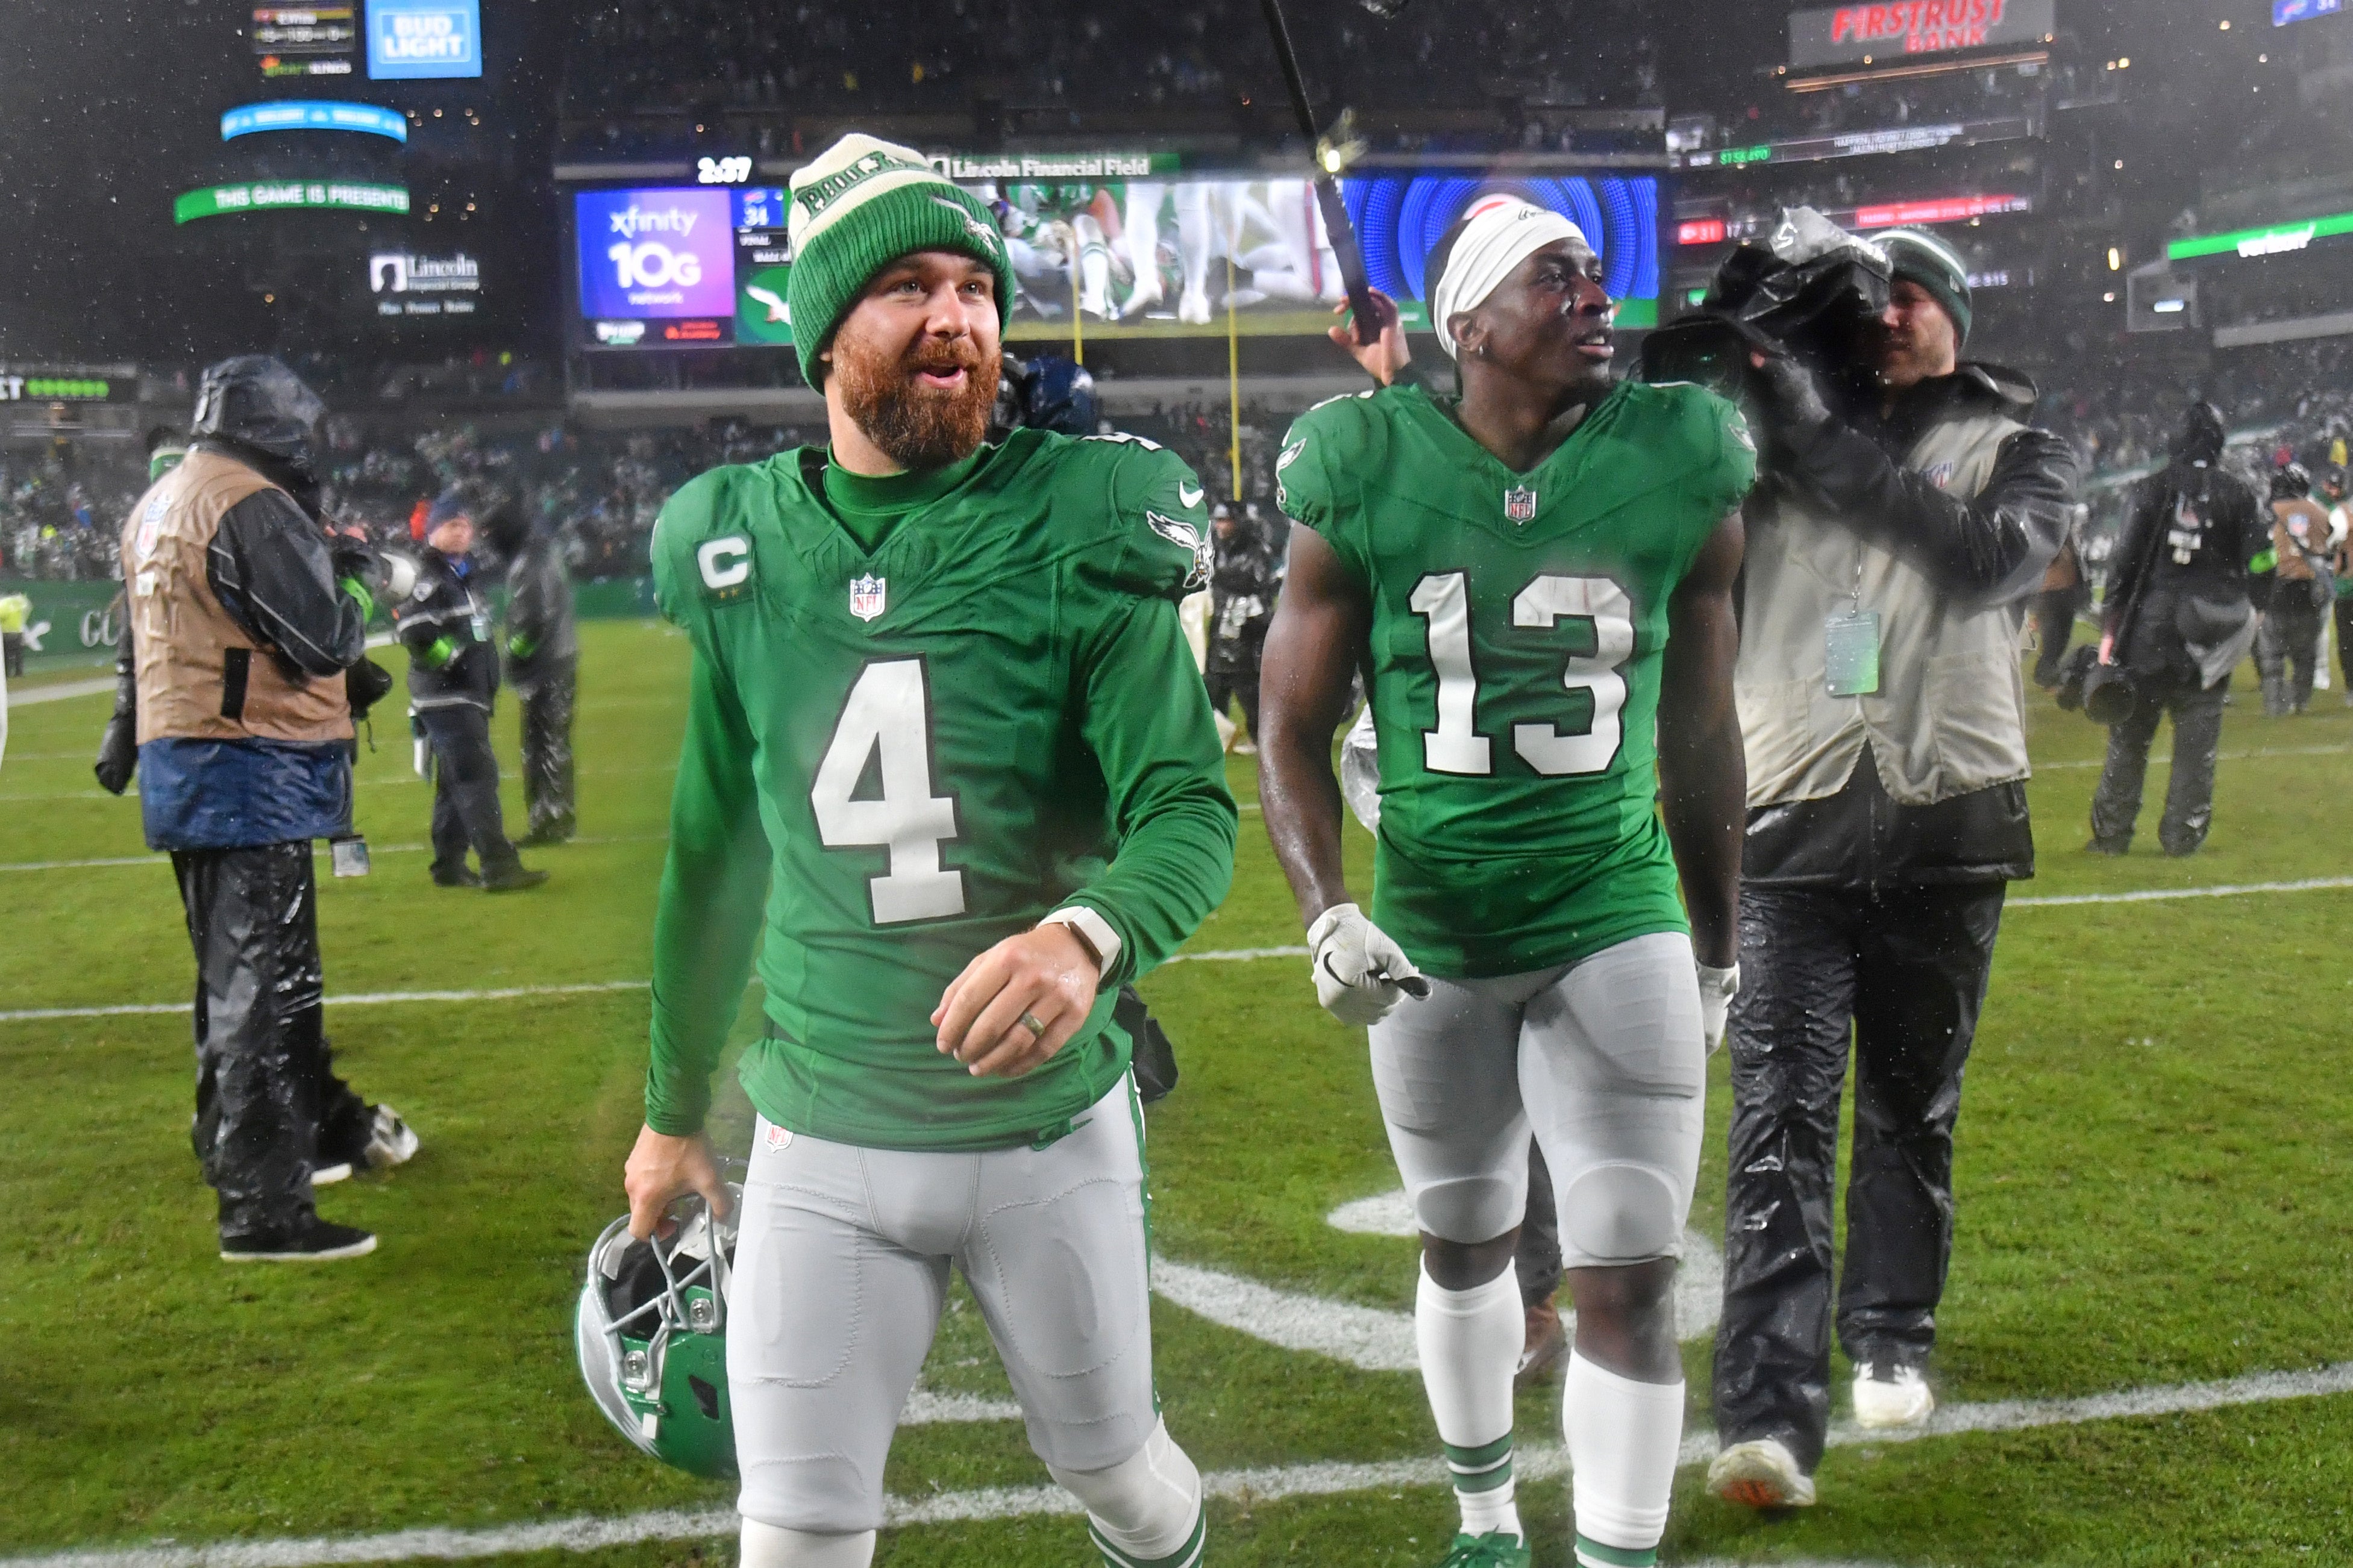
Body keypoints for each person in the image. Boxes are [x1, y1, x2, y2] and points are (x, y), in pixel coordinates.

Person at [618, 133, 1236, 1568]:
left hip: (1042, 1131)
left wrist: (1086, 934)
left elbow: (1185, 808)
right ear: (824, 330)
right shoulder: (734, 545)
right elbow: (710, 854)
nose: (953, 317)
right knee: (795, 1532)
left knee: (1123, 1479)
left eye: (973, 286)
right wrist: (668, 1106)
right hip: (821, 1129)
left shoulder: (1084, 517)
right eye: (904, 284)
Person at [1259, 194, 1753, 1568]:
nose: (1596, 295)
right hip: (1431, 926)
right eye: (1557, 275)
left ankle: (1611, 1549)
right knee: (1464, 1240)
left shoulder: (1674, 455)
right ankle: (1481, 1512)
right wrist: (1327, 906)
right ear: (1468, 323)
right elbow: (1288, 726)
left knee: (1628, 1273)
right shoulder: (1362, 462)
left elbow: (1700, 731)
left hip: (1613, 905)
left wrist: (1715, 944)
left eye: (1597, 272)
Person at [1712, 228, 2078, 1507]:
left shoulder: (2020, 448)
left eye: (1916, 293)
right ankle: (1761, 1406)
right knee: (1776, 1112)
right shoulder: (1755, 433)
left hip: (1944, 819)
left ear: (1958, 318)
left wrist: (1812, 434)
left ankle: (1887, 1331)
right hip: (1786, 818)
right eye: (1877, 295)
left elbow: (1984, 559)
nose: (1893, 311)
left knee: (1906, 1109)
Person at [92, 356, 418, 1263]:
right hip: (248, 770)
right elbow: (320, 635)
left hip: (191, 763)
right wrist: (355, 576)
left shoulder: (163, 499)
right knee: (266, 995)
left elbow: (149, 638)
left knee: (235, 987)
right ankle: (264, 1209)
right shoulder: (248, 503)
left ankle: (242, 1150)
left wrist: (127, 729)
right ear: (272, 422)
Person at [2087, 402, 2264, 856]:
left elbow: (2123, 565)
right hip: (2207, 636)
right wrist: (2250, 607)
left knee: (2129, 739)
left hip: (2147, 632)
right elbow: (2263, 564)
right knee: (2195, 747)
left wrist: (2110, 632)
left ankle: (2112, 834)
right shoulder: (2238, 494)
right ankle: (2182, 836)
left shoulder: (2147, 491)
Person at [392, 489, 546, 892]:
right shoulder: (428, 575)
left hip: (465, 695)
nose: (462, 532)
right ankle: (499, 865)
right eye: (451, 524)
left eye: (465, 524)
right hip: (449, 697)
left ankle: (448, 864)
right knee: (477, 778)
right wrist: (453, 662)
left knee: (454, 782)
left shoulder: (463, 574)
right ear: (433, 531)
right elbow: (415, 632)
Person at [482, 502, 578, 845]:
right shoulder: (541, 554)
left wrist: (511, 658)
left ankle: (550, 821)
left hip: (545, 666)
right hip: (558, 659)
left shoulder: (528, 563)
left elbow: (532, 622)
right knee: (551, 743)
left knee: (543, 745)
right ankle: (554, 816)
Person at [1203, 501, 1280, 752]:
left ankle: (1258, 740)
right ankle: (1217, 738)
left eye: (1224, 520)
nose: (1219, 526)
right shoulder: (1217, 548)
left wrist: (1219, 575)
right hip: (1222, 628)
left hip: (1246, 630)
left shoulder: (1255, 548)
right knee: (1213, 687)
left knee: (1248, 689)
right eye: (1217, 520)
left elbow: (1256, 581)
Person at [2258, 463, 2332, 717]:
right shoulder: (2316, 512)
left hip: (2276, 588)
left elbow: (2257, 552)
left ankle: (2275, 705)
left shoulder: (2267, 512)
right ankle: (2300, 701)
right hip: (2306, 590)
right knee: (2305, 654)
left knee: (2271, 655)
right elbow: (2327, 546)